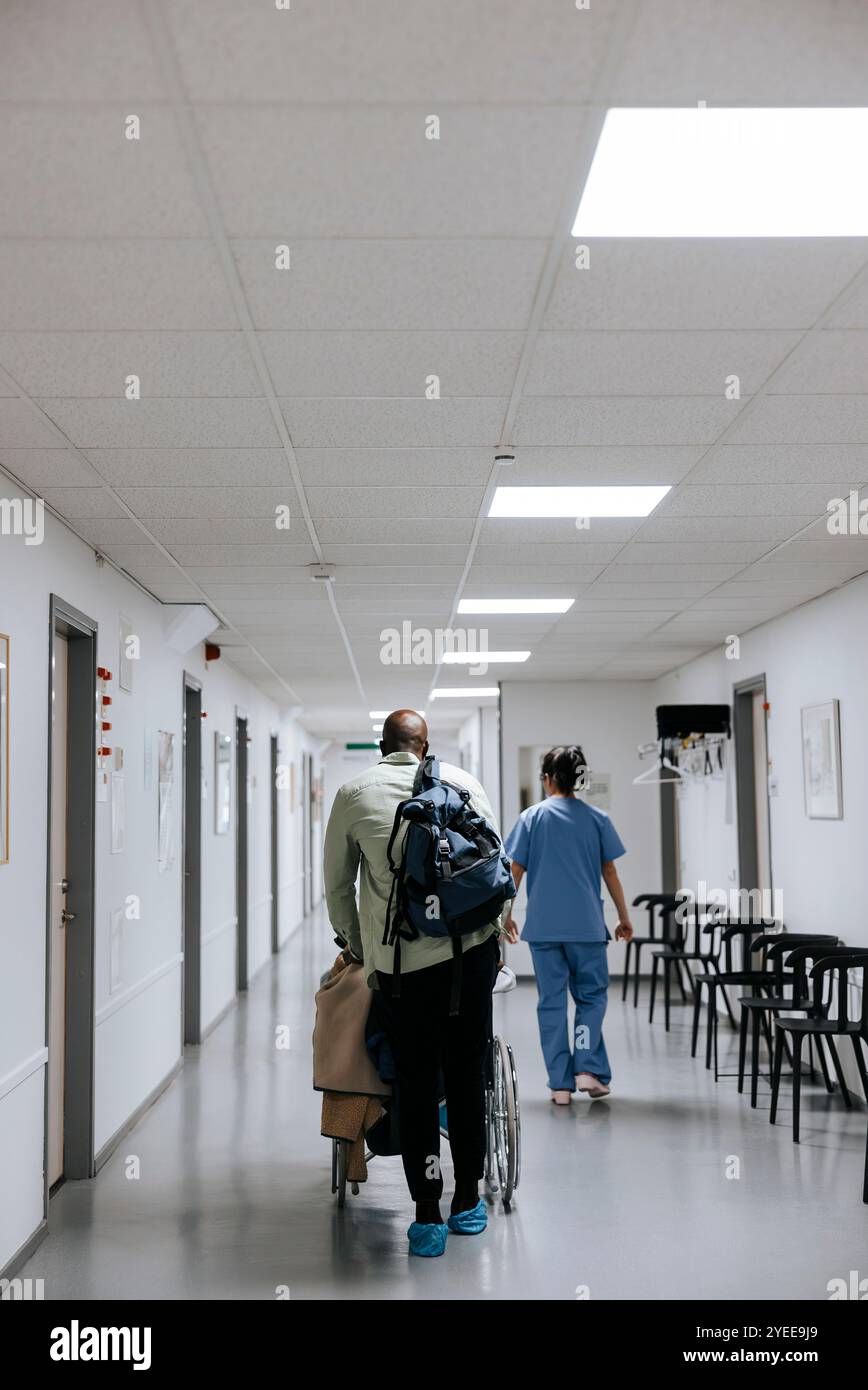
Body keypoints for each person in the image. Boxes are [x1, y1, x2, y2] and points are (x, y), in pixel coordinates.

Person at [323, 710, 507, 1257]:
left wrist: (359, 947)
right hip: (470, 958)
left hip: (404, 969)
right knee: (469, 1074)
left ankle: (426, 1213)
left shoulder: (354, 794)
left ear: (382, 747)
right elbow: (494, 869)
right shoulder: (464, 783)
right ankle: (468, 1200)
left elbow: (337, 888)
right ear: (426, 747)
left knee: (417, 1082)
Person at [504, 746, 633, 1105]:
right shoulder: (597, 819)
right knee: (590, 999)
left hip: (544, 930)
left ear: (547, 779)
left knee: (551, 1003)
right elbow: (610, 872)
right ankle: (588, 1068)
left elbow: (516, 870)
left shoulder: (531, 818)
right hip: (587, 929)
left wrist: (505, 915)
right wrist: (623, 917)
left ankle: (560, 1085)